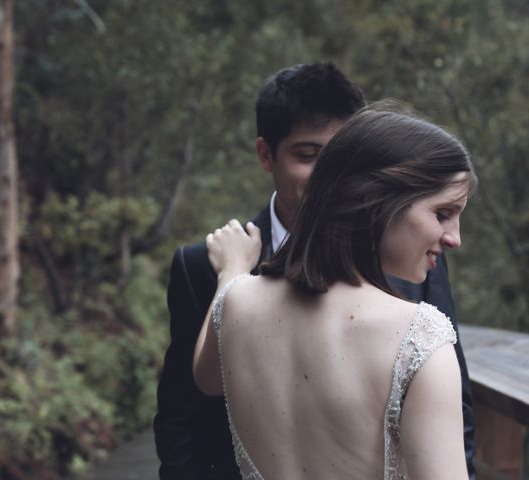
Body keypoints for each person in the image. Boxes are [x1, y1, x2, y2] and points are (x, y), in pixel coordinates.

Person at [153, 62, 476, 479]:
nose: (453, 238)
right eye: (443, 213)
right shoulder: (422, 338)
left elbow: (208, 377)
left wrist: (232, 275)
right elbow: (184, 415)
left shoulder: (234, 298)